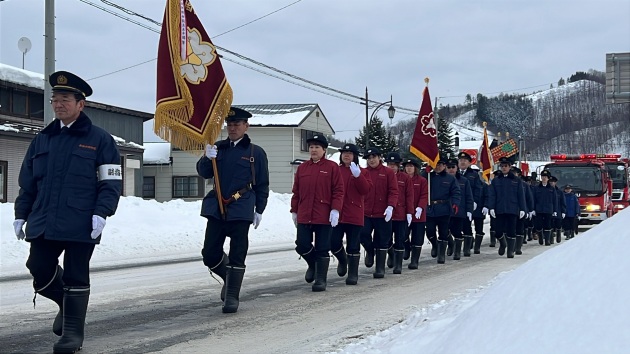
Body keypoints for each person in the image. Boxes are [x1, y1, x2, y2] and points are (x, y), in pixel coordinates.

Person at [13, 71, 122, 354]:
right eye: (54, 99)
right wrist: (21, 213)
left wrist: (102, 212)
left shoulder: (100, 140)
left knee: (76, 275)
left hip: (81, 220)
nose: (58, 104)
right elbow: (28, 182)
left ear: (80, 104)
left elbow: (111, 183)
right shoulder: (43, 139)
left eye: (64, 99)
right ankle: (65, 303)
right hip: (44, 220)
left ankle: (73, 334)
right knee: (38, 267)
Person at [197, 107, 270, 313]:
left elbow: (262, 184)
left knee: (238, 253)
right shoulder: (218, 148)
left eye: (237, 124)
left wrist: (259, 208)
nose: (232, 128)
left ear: (246, 126)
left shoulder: (256, 153)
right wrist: (206, 156)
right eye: (229, 124)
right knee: (209, 253)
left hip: (241, 207)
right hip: (217, 208)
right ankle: (227, 277)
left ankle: (232, 296)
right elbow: (204, 172)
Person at [290, 134, 344, 291]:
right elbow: (296, 192)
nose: (313, 150)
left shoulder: (332, 167)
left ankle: (321, 279)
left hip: (323, 214)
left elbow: (338, 191)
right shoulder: (302, 168)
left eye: (317, 147)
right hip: (305, 213)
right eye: (311, 147)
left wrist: (335, 209)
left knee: (322, 247)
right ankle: (313, 264)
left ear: (324, 150)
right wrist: (294, 210)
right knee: (301, 245)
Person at [330, 143, 372, 285]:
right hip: (338, 213)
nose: (346, 155)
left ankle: (353, 274)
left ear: (355, 156)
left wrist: (358, 176)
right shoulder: (336, 170)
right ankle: (343, 260)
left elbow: (366, 190)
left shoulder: (363, 172)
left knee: (353, 245)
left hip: (354, 213)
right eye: (344, 153)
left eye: (350, 153)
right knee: (333, 242)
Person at [359, 147, 398, 278]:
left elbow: (393, 191)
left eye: (373, 157)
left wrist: (391, 206)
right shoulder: (363, 172)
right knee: (363, 234)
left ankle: (380, 268)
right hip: (366, 211)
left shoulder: (388, 172)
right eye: (368, 158)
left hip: (383, 212)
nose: (371, 160)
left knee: (382, 239)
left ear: (379, 157)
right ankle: (370, 252)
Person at [487, 157, 527, 258]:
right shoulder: (496, 180)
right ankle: (503, 243)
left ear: (510, 167)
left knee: (511, 230)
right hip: (499, 209)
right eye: (502, 166)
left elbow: (521, 195)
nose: (504, 168)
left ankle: (510, 250)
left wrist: (523, 209)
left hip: (512, 209)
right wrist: (491, 207)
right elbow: (492, 195)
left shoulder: (516, 180)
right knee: (498, 231)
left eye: (506, 166)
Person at [425, 158, 461, 264]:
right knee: (430, 231)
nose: (438, 167)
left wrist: (455, 203)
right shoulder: (428, 176)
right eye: (436, 164)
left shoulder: (450, 178)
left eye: (440, 165)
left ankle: (441, 254)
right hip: (430, 208)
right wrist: (425, 171)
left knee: (443, 232)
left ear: (444, 166)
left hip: (444, 208)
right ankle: (435, 245)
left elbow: (456, 192)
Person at [385, 152, 414, 274]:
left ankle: (398, 264)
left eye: (394, 164)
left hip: (400, 213)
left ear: (398, 165)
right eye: (389, 164)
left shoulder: (405, 178)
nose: (392, 167)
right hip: (386, 214)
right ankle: (391, 255)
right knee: (386, 239)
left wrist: (409, 212)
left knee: (399, 240)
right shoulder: (384, 175)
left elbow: (409, 196)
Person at [402, 159, 428, 269]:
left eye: (411, 166)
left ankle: (414, 260)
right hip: (404, 213)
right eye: (407, 166)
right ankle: (406, 248)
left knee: (417, 238)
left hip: (418, 214)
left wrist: (420, 207)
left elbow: (424, 195)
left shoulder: (422, 180)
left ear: (415, 168)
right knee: (403, 235)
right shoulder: (400, 180)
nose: (409, 168)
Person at [458, 151, 484, 256]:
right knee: (464, 225)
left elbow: (478, 189)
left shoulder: (474, 174)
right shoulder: (455, 174)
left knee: (476, 225)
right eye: (461, 160)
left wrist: (475, 201)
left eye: (465, 160)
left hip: (473, 204)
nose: (462, 162)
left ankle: (469, 248)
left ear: (469, 163)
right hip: (461, 204)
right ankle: (467, 243)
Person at [447, 158, 474, 260]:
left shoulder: (464, 180)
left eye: (453, 167)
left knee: (457, 231)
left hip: (459, 211)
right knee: (445, 231)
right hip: (445, 210)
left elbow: (469, 196)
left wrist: (469, 210)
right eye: (448, 167)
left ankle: (457, 252)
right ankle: (450, 244)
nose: (451, 169)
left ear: (457, 168)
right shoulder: (443, 179)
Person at [532, 170, 558, 246]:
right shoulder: (537, 188)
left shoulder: (551, 189)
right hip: (539, 209)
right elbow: (533, 199)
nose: (544, 178)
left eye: (545, 177)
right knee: (539, 225)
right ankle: (540, 236)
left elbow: (555, 200)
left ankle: (547, 240)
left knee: (548, 225)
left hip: (548, 209)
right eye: (543, 177)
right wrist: (533, 209)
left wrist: (555, 210)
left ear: (548, 178)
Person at [549, 176, 566, 244]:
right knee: (550, 225)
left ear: (555, 183)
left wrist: (563, 211)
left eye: (553, 182)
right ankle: (550, 238)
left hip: (558, 211)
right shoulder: (547, 190)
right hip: (549, 211)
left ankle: (558, 235)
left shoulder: (559, 192)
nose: (551, 183)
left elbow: (563, 202)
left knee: (558, 225)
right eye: (550, 182)